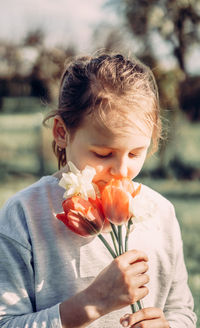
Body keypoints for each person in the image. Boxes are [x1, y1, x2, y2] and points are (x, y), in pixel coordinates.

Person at [0, 53, 197, 328]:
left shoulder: (161, 214)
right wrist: (92, 303)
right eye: (103, 154)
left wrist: (169, 325)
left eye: (135, 153)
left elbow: (183, 312)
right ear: (61, 132)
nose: (122, 170)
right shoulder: (25, 215)